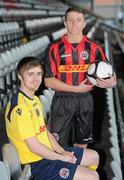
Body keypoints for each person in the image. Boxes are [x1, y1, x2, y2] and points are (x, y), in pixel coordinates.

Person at [5, 56, 100, 180]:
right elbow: (34, 147)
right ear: (19, 76)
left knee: (94, 157)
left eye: (39, 74)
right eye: (30, 74)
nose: (36, 79)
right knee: (92, 176)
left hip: (46, 153)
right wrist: (61, 157)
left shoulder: (33, 99)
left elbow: (44, 132)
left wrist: (61, 151)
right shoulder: (21, 108)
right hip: (35, 164)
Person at [44, 7, 117, 148]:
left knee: (82, 144)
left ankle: (80, 169)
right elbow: (48, 80)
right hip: (62, 101)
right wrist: (76, 89)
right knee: (58, 145)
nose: (74, 24)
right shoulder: (54, 47)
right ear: (65, 23)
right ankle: (65, 170)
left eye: (78, 20)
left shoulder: (94, 47)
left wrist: (112, 82)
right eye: (70, 20)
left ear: (84, 23)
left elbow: (109, 72)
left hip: (85, 101)